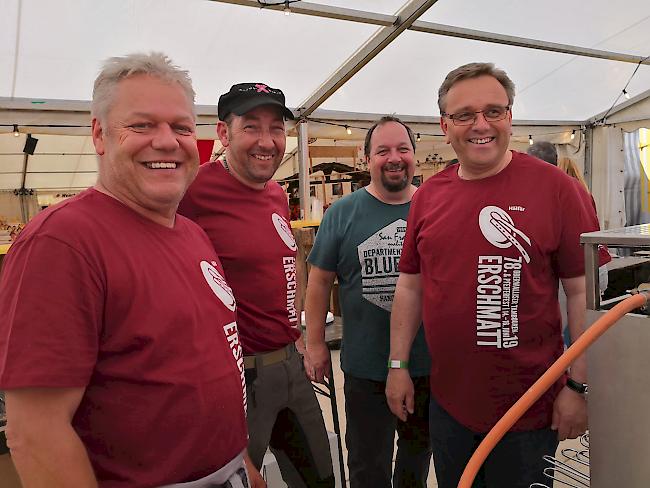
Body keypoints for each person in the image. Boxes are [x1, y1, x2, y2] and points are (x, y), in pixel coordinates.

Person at [0, 53, 248, 487]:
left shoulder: (191, 233)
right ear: (99, 135)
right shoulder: (63, 242)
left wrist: (239, 464)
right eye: (142, 125)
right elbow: (35, 432)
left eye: (182, 127)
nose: (167, 141)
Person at [385, 62, 611, 488]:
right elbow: (410, 286)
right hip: (450, 405)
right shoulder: (429, 195)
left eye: (494, 110)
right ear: (444, 126)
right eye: (465, 115)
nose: (480, 125)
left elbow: (583, 293)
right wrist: (398, 364)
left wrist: (579, 386)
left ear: (510, 117)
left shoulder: (558, 190)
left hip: (529, 406)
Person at [178, 83, 334, 488]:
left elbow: (288, 262)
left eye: (277, 128)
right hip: (237, 379)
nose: (267, 141)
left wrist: (298, 335)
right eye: (252, 127)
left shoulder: (277, 194)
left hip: (289, 365)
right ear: (224, 134)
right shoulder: (190, 192)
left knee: (319, 477)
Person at [305, 116, 432, 488]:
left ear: (415, 156)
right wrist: (314, 344)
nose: (394, 158)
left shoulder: (434, 207)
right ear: (366, 160)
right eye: (383, 151)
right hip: (365, 367)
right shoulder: (342, 213)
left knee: (415, 464)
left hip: (428, 365)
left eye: (402, 149)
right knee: (367, 467)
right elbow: (318, 283)